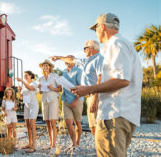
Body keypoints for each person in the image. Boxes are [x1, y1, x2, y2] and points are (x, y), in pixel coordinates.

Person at [71, 13, 143, 156]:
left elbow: (122, 79)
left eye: (95, 29)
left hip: (114, 114)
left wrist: (88, 89)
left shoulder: (116, 44)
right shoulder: (124, 44)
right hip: (123, 114)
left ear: (102, 27)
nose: (96, 33)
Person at [50, 40, 104, 136]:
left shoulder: (99, 59)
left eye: (85, 48)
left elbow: (100, 78)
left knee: (99, 127)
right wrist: (58, 57)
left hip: (96, 96)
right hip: (89, 97)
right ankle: (99, 149)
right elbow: (71, 60)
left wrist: (95, 99)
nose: (83, 51)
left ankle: (104, 150)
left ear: (91, 48)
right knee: (92, 127)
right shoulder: (87, 61)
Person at [38, 59, 62, 155]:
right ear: (42, 68)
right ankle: (50, 143)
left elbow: (60, 89)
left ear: (50, 67)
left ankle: (53, 146)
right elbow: (40, 92)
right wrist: (39, 88)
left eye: (47, 66)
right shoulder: (41, 78)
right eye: (44, 66)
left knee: (53, 122)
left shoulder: (55, 76)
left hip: (53, 100)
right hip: (45, 101)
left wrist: (52, 88)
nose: (45, 67)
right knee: (47, 123)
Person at [59, 58, 83, 152]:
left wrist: (75, 100)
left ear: (73, 62)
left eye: (68, 60)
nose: (66, 62)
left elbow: (81, 86)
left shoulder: (79, 71)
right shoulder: (64, 71)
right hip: (66, 100)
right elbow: (64, 85)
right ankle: (74, 143)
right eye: (65, 60)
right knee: (68, 122)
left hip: (76, 100)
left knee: (77, 122)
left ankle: (78, 141)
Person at [16, 71, 39, 153]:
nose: (25, 77)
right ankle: (29, 144)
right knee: (28, 126)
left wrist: (22, 81)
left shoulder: (34, 83)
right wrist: (19, 91)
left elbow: (30, 88)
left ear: (30, 76)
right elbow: (21, 98)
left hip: (33, 106)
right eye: (24, 76)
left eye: (26, 75)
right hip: (26, 107)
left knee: (32, 125)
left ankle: (33, 146)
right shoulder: (24, 86)